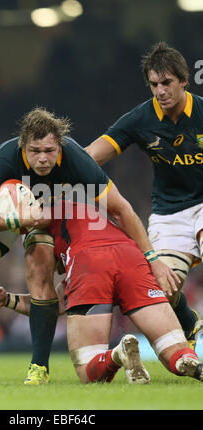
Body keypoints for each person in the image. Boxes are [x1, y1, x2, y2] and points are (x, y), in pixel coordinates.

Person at [0, 107, 176, 385]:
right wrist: (17, 218)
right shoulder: (5, 158)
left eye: (49, 150)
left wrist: (152, 257)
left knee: (41, 267)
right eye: (35, 151)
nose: (43, 158)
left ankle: (38, 368)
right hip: (5, 215)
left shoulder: (75, 158)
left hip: (43, 218)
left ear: (59, 145)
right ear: (22, 146)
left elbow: (121, 209)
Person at [0, 199, 203, 384]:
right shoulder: (90, 208)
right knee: (172, 346)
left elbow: (49, 304)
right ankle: (186, 359)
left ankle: (118, 354)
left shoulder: (43, 221)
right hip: (131, 257)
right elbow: (59, 301)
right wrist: (9, 300)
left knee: (87, 369)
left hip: (89, 264)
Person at [86, 41, 203, 349]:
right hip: (170, 214)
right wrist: (55, 169)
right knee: (163, 288)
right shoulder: (140, 119)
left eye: (166, 83)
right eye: (154, 84)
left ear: (183, 81)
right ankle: (189, 322)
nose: (160, 91)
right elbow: (91, 156)